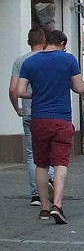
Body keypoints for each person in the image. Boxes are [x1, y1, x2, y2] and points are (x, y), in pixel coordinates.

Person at [16, 29, 84, 223]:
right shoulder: (68, 60)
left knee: (41, 164)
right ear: (62, 43)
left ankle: (44, 207)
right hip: (61, 119)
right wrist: (69, 84)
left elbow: (20, 91)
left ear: (47, 42)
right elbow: (79, 88)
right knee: (61, 163)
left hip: (38, 119)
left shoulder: (30, 62)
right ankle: (57, 205)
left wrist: (36, 94)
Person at [9, 27, 54, 205]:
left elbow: (13, 89)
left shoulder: (20, 61)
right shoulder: (49, 59)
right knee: (49, 150)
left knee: (31, 154)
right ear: (43, 41)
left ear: (29, 42)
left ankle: (36, 194)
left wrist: (17, 108)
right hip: (48, 111)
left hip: (28, 112)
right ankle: (49, 180)